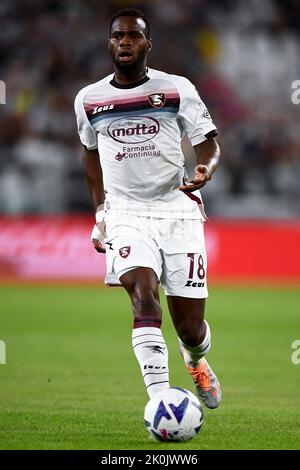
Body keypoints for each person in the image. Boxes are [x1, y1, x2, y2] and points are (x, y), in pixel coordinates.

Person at [74, 8, 221, 409]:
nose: (125, 42)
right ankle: (161, 401)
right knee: (143, 296)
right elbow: (90, 154)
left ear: (147, 44)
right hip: (127, 215)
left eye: (134, 36)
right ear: (109, 43)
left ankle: (195, 360)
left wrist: (205, 166)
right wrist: (101, 211)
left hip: (177, 212)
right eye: (118, 36)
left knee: (190, 328)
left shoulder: (176, 89)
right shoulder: (89, 99)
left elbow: (208, 140)